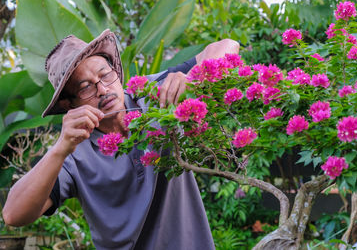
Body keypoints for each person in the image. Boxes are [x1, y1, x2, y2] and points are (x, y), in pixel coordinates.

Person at [2, 29, 239, 249]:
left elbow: (228, 45)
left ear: (116, 71)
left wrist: (195, 79)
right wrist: (59, 149)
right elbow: (13, 215)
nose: (103, 90)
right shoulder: (73, 155)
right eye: (86, 87)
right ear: (68, 104)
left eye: (105, 75)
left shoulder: (151, 94)